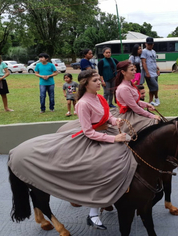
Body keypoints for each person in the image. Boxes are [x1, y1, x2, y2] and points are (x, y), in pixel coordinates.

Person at [8, 69, 137, 230]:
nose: (100, 83)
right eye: (95, 80)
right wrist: (114, 138)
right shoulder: (82, 103)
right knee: (103, 166)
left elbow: (107, 116)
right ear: (85, 84)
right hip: (92, 139)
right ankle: (93, 211)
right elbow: (89, 132)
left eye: (99, 80)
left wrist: (114, 120)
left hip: (106, 133)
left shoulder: (100, 97)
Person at [114, 61, 160, 132]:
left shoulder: (129, 84)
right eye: (132, 70)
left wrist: (147, 105)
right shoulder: (124, 88)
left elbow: (135, 102)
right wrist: (151, 116)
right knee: (152, 124)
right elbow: (134, 107)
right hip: (129, 116)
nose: (135, 72)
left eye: (134, 69)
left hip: (133, 112)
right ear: (123, 72)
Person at [141, 37, 161, 106]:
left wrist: (157, 69)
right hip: (149, 72)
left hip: (154, 72)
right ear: (145, 44)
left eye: (151, 44)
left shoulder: (153, 51)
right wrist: (147, 72)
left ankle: (151, 101)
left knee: (152, 88)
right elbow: (143, 62)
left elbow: (155, 61)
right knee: (155, 86)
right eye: (149, 44)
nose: (150, 46)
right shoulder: (144, 51)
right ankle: (156, 98)